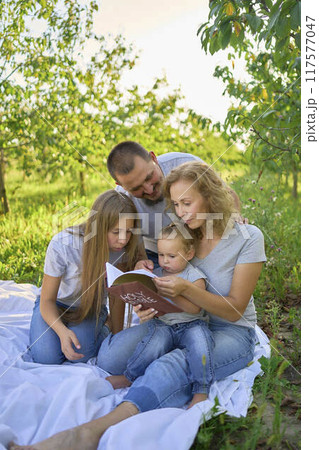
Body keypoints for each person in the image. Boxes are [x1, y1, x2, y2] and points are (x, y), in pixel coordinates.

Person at [10, 161, 266, 450]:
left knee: (176, 363)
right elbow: (169, 272)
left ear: (209, 196)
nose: (180, 212)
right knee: (109, 360)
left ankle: (93, 430)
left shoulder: (248, 237)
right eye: (176, 205)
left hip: (228, 330)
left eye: (187, 203)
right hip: (179, 321)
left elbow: (234, 308)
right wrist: (148, 286)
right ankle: (126, 383)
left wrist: (183, 290)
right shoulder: (185, 233)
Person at [28, 190, 145, 365]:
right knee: (47, 358)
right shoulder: (63, 244)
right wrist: (61, 332)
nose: (123, 239)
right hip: (57, 305)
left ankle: (102, 327)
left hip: (90, 308)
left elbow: (116, 296)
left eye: (128, 231)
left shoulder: (124, 249)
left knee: (82, 355)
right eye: (116, 232)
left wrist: (115, 338)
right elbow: (47, 301)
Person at [105, 224, 213, 408]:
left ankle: (201, 389)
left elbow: (195, 309)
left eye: (171, 256)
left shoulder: (195, 276)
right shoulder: (156, 275)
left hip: (192, 324)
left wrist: (171, 294)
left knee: (201, 344)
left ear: (188, 254)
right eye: (161, 255)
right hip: (164, 323)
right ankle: (129, 376)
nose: (164, 261)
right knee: (151, 344)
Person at [107, 140, 241, 267]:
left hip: (201, 245)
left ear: (153, 158)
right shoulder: (121, 200)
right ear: (122, 186)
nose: (149, 189)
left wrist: (235, 219)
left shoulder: (184, 164)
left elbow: (225, 195)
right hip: (157, 253)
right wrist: (142, 262)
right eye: (136, 188)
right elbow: (134, 245)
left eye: (149, 177)